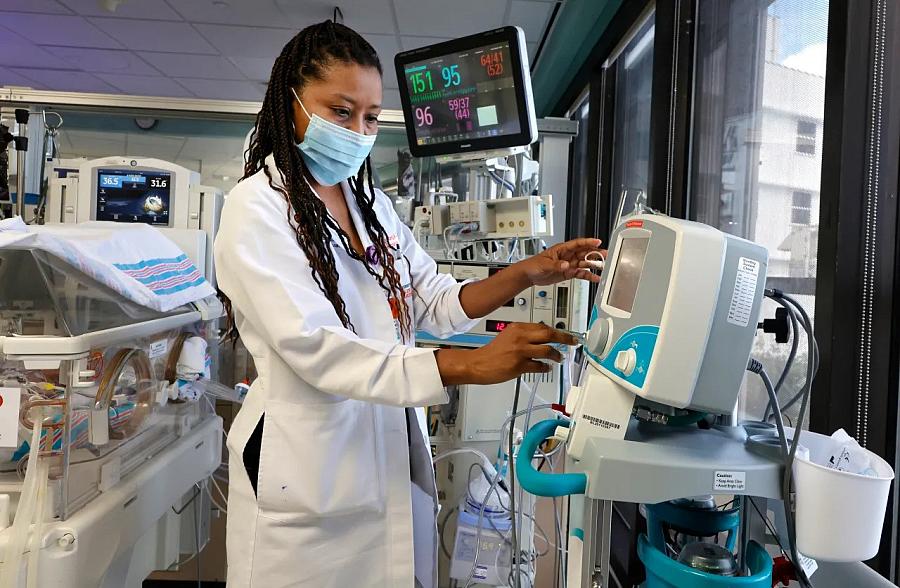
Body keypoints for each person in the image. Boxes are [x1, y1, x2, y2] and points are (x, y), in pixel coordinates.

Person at [214, 20, 602, 588]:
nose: (357, 130)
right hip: (309, 467)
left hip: (387, 445)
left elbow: (433, 299)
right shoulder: (256, 209)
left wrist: (527, 272)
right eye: (341, 111)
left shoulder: (368, 202)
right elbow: (314, 347)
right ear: (290, 103)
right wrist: (464, 364)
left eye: (371, 118)